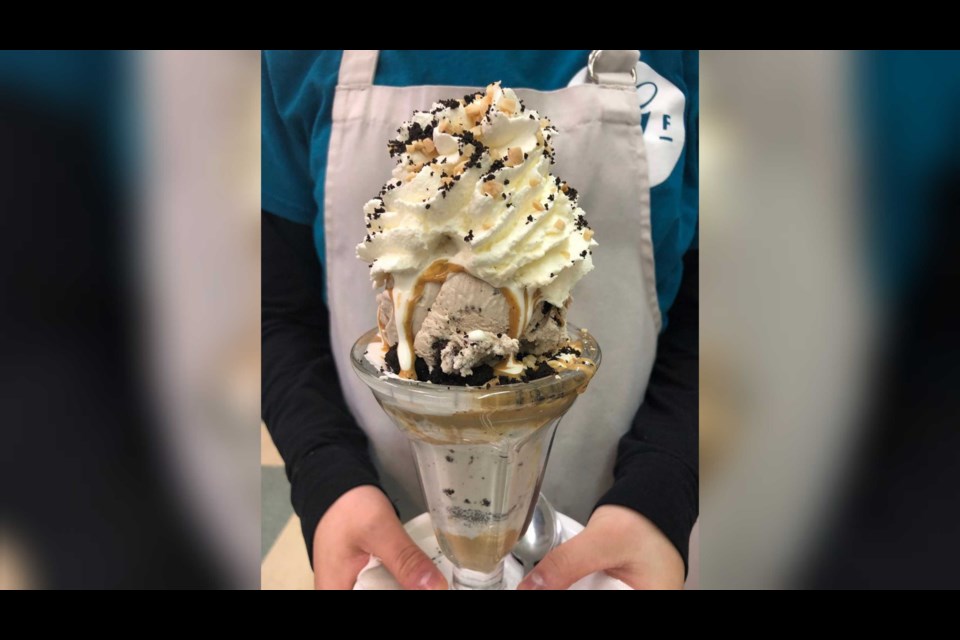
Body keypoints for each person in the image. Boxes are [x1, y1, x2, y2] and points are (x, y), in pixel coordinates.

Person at [262, 50, 698, 590]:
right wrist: (325, 479)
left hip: (622, 542)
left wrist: (664, 488)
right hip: (382, 526)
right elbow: (274, 307)